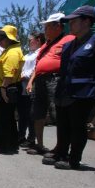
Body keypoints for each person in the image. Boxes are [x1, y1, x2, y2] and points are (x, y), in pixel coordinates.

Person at [42, 5, 95, 169]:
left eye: (74, 21)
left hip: (84, 92)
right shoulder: (68, 46)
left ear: (87, 21)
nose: (70, 24)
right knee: (63, 123)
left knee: (77, 126)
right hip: (64, 90)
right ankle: (61, 152)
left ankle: (73, 159)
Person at [25, 13, 75, 155]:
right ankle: (39, 145)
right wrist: (30, 81)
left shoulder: (69, 39)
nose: (45, 30)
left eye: (47, 27)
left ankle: (61, 148)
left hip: (55, 79)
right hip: (39, 80)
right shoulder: (45, 45)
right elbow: (38, 65)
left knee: (58, 113)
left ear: (58, 26)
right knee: (37, 113)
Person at [0, 25, 24, 153]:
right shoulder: (8, 50)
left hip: (5, 88)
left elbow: (9, 74)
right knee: (5, 118)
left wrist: (3, 89)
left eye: (2, 37)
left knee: (4, 119)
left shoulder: (12, 52)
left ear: (9, 37)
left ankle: (4, 145)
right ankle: (10, 144)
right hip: (1, 87)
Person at [17, 32, 45, 148]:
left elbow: (36, 68)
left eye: (31, 39)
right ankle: (21, 136)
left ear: (38, 40)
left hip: (31, 85)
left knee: (31, 114)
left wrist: (25, 76)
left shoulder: (40, 53)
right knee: (22, 114)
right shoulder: (28, 54)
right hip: (22, 86)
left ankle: (31, 139)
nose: (29, 41)